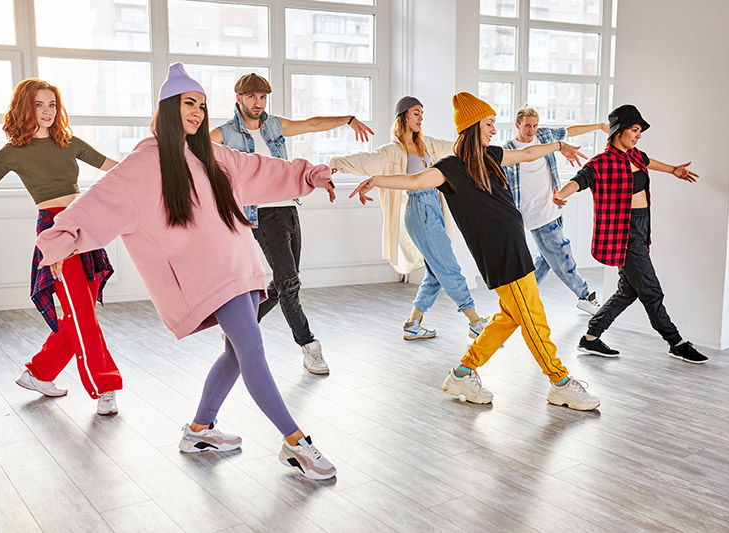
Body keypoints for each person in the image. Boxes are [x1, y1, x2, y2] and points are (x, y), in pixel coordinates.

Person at [36, 64, 337, 479]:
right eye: (187, 103)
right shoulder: (144, 164)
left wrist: (311, 174)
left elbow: (266, 170)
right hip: (211, 279)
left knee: (235, 353)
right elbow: (97, 203)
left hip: (242, 266)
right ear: (166, 109)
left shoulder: (214, 155)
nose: (196, 112)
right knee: (251, 351)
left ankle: (198, 430)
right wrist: (59, 240)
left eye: (200, 105)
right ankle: (296, 443)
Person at [350, 92, 601, 411]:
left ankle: (462, 373)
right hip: (501, 258)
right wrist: (376, 180)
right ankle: (560, 382)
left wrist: (558, 146)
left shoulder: (489, 157)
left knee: (508, 319)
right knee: (535, 321)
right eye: (489, 124)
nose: (494, 130)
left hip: (515, 250)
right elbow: (415, 180)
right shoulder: (450, 169)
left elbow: (527, 154)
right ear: (472, 127)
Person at [209, 73, 374, 374]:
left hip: (288, 209)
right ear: (239, 99)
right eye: (251, 97)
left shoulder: (274, 125)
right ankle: (309, 346)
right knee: (290, 285)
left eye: (262, 97)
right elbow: (189, 150)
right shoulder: (224, 134)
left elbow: (312, 123)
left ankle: (241, 326)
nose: (258, 103)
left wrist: (349, 119)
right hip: (261, 216)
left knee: (286, 281)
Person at [0, 78, 122, 416]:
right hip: (55, 231)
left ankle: (38, 373)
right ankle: (105, 385)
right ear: (25, 107)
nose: (47, 111)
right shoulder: (12, 153)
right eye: (39, 104)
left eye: (52, 105)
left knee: (80, 310)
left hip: (84, 224)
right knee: (82, 312)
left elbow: (114, 169)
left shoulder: (69, 142)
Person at [553, 104, 708, 364]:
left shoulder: (636, 156)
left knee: (628, 290)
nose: (637, 135)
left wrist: (673, 170)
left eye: (640, 132)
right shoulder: (602, 162)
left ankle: (591, 338)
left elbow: (649, 162)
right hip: (623, 233)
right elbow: (581, 179)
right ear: (618, 131)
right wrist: (560, 195)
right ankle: (676, 342)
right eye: (634, 130)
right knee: (651, 290)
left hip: (640, 227)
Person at [330, 96, 488, 340]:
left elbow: (455, 146)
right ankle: (475, 321)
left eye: (422, 113)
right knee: (448, 266)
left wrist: (477, 133)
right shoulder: (393, 150)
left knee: (436, 271)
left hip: (433, 207)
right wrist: (335, 164)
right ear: (403, 116)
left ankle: (413, 323)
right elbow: (366, 160)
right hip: (420, 210)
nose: (421, 118)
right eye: (416, 113)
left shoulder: (427, 145)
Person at [502, 106, 608, 315]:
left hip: (554, 207)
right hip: (535, 214)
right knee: (562, 254)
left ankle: (519, 299)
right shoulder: (509, 150)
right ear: (517, 125)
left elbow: (570, 131)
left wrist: (599, 126)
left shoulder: (543, 136)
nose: (531, 130)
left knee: (546, 260)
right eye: (527, 126)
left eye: (534, 125)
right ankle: (584, 296)